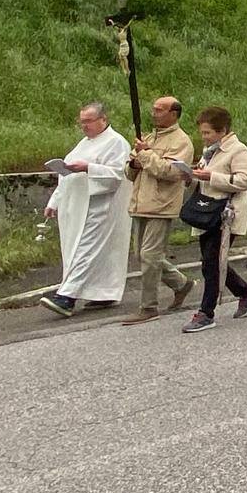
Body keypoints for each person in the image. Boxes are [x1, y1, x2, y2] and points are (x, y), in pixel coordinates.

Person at [40, 101, 133, 317]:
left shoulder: (116, 143)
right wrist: (54, 202)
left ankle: (67, 297)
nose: (85, 126)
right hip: (76, 207)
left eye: (89, 121)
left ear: (103, 119)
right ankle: (103, 292)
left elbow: (118, 174)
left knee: (86, 249)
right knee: (79, 249)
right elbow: (67, 177)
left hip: (100, 207)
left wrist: (89, 167)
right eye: (82, 122)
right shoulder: (84, 143)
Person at [180, 106, 247, 333]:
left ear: (222, 130)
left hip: (226, 212)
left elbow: (245, 181)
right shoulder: (210, 151)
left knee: (212, 261)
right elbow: (203, 180)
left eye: (207, 133)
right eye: (202, 133)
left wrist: (211, 176)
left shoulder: (238, 150)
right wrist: (190, 177)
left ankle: (206, 312)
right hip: (207, 211)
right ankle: (245, 292)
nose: (203, 137)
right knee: (212, 260)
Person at [121, 95, 195, 325]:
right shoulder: (150, 137)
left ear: (174, 114)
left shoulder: (181, 141)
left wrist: (145, 154)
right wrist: (133, 163)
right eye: (153, 109)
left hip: (161, 205)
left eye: (160, 110)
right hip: (140, 202)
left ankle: (148, 306)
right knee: (141, 256)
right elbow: (131, 172)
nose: (154, 113)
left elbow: (170, 172)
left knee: (150, 257)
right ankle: (181, 284)